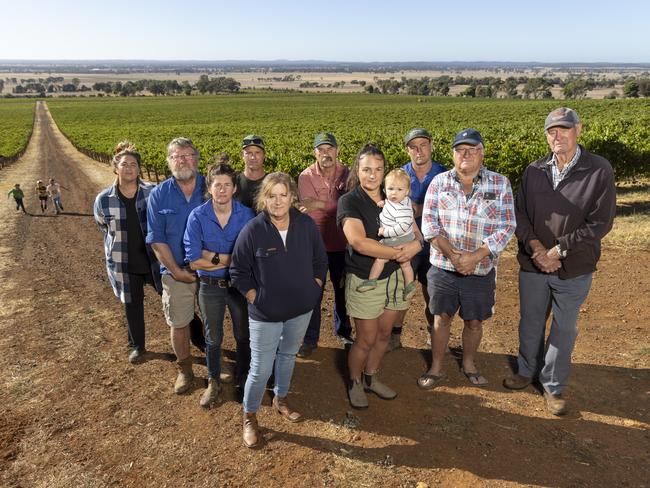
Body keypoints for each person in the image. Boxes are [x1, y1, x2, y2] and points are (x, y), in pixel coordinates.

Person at [504, 107, 616, 416]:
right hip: (533, 263)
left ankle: (552, 386)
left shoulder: (599, 170)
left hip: (575, 267)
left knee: (564, 329)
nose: (558, 135)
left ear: (578, 130)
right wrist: (537, 248)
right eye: (552, 130)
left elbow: (600, 223)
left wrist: (558, 251)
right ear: (546, 135)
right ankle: (526, 371)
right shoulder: (534, 170)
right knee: (530, 322)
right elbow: (520, 214)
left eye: (564, 129)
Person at [230, 172, 327, 448]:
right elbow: (238, 271)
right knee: (260, 369)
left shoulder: (306, 225)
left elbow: (320, 260)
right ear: (263, 199)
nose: (278, 201)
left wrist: (313, 288)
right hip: (266, 313)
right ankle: (249, 416)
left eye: (283, 195)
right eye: (271, 195)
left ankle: (280, 398)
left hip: (300, 309)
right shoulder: (253, 230)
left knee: (287, 357)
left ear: (292, 197)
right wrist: (255, 297)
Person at [418, 128, 515, 390]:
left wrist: (476, 257)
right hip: (443, 267)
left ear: (482, 153)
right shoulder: (439, 183)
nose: (466, 154)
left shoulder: (500, 183)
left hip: (481, 270)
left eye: (472, 149)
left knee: (474, 321)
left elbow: (506, 227)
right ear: (452, 154)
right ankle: (436, 367)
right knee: (441, 318)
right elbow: (429, 225)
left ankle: (469, 363)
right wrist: (452, 254)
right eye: (461, 150)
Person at [337, 144, 422, 409]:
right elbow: (359, 243)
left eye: (378, 169)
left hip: (395, 278)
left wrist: (416, 246)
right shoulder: (350, 201)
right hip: (366, 279)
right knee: (366, 338)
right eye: (366, 170)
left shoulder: (397, 196)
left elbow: (417, 234)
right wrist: (399, 252)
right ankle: (354, 381)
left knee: (385, 334)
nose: (372, 175)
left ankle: (371, 378)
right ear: (357, 171)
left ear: (385, 172)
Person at [184, 163, 255, 408]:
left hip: (238, 286)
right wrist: (228, 259)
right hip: (209, 286)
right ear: (210, 188)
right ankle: (213, 381)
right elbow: (193, 261)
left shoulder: (247, 215)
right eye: (217, 185)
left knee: (243, 336)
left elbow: (248, 257)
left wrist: (210, 256)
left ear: (234, 188)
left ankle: (244, 377)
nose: (222, 190)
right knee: (213, 339)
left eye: (227, 185)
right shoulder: (197, 216)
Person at [146, 137, 206, 394]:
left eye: (187, 155)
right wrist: (176, 271)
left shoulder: (211, 186)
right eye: (176, 156)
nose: (182, 160)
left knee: (214, 321)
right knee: (178, 323)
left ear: (197, 158)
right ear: (169, 162)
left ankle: (215, 366)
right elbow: (156, 239)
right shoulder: (159, 194)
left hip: (210, 269)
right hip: (175, 270)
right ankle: (185, 370)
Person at [94, 141, 162, 363]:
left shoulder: (153, 192)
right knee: (132, 305)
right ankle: (138, 347)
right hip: (124, 262)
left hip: (155, 261)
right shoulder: (104, 200)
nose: (129, 168)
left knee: (174, 300)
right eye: (125, 164)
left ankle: (198, 340)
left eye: (133, 164)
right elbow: (103, 227)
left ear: (139, 168)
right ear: (116, 167)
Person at [389, 128, 447, 351]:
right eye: (413, 146)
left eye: (423, 144)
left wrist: (419, 208)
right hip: (408, 246)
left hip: (436, 248)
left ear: (431, 145)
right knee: (403, 291)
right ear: (407, 150)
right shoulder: (400, 176)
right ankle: (395, 336)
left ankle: (435, 336)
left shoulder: (444, 174)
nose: (419, 150)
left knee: (433, 294)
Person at [296, 132, 353, 358]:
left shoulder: (348, 174)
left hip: (342, 242)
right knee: (313, 293)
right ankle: (310, 339)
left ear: (337, 151)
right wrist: (337, 204)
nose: (326, 153)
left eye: (330, 149)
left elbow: (349, 205)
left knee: (342, 291)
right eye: (321, 149)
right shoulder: (305, 176)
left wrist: (319, 203)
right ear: (315, 153)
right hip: (316, 245)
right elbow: (307, 207)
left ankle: (344, 332)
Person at [356, 168, 418, 302]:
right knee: (405, 263)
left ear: (407, 192)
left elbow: (402, 227)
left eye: (399, 190)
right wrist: (384, 203)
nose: (394, 193)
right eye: (390, 189)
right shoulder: (397, 201)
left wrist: (385, 232)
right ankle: (410, 285)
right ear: (384, 190)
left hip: (399, 238)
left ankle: (372, 281)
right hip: (401, 238)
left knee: (381, 259)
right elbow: (391, 205)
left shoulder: (405, 209)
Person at [234, 135, 266, 209]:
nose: (253, 157)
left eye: (257, 152)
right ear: (242, 156)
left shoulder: (272, 183)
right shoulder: (233, 182)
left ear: (264, 155)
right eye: (248, 153)